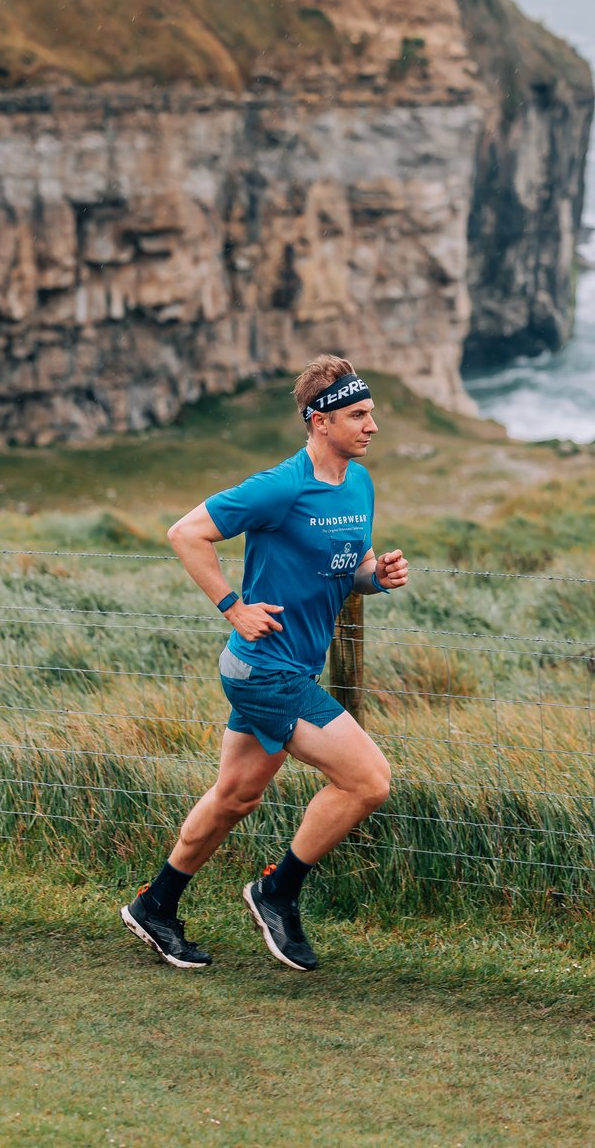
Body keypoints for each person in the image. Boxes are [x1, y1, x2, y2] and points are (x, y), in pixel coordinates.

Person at [121, 355, 409, 971]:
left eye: (371, 415)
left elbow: (343, 571)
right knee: (367, 780)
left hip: (290, 668)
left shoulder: (358, 485)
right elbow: (185, 532)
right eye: (358, 415)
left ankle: (156, 905)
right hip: (265, 670)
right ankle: (277, 890)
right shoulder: (280, 487)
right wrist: (233, 606)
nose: (371, 427)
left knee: (235, 796)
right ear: (319, 421)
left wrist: (374, 576)